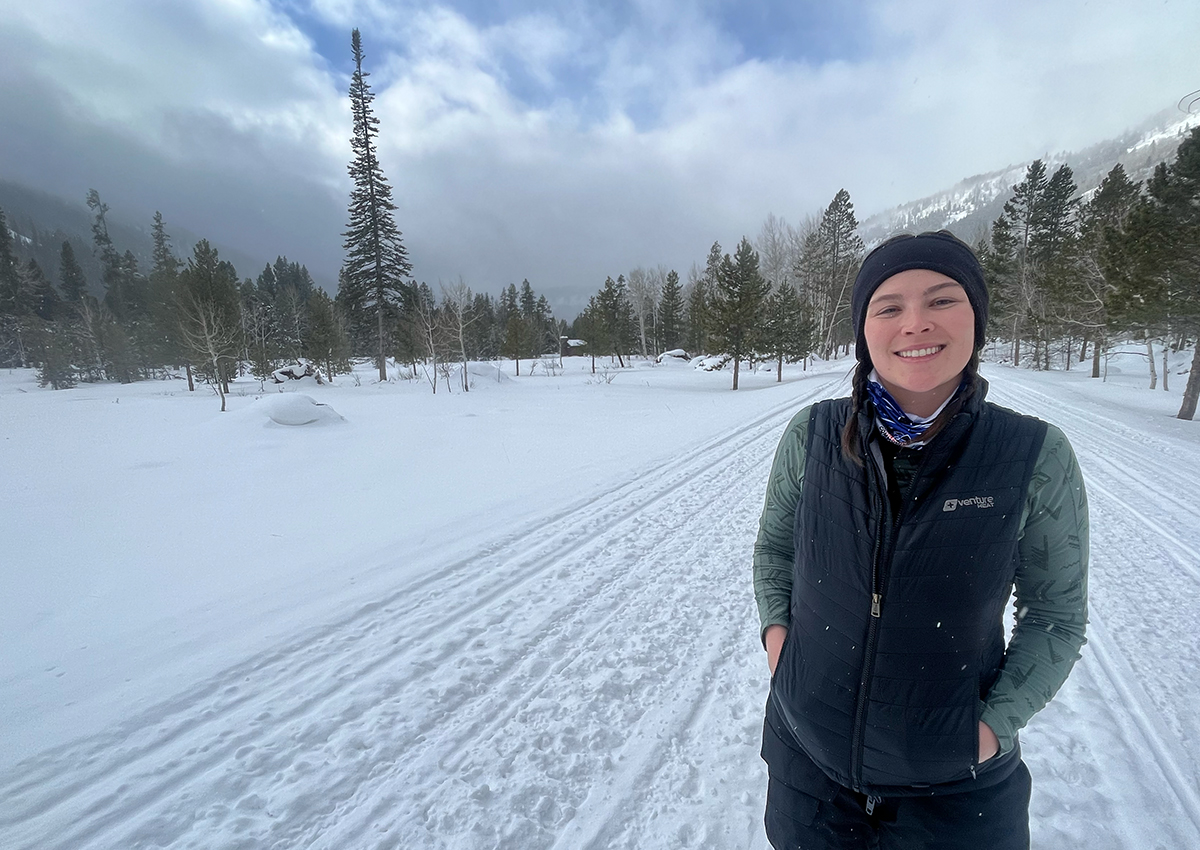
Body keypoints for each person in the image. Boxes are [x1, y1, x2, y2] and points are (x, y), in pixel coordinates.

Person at [753, 231, 1089, 849]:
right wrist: (781, 643)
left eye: (941, 300)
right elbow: (776, 550)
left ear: (976, 320)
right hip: (808, 769)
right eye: (888, 307)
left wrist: (989, 727)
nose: (915, 324)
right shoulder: (813, 434)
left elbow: (1056, 614)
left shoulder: (1033, 455)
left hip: (955, 791)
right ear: (864, 330)